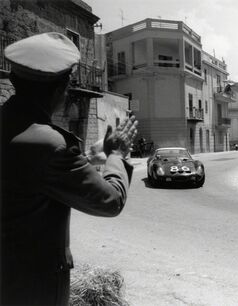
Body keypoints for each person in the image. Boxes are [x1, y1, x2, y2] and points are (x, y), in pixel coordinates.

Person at [0, 32, 138, 305]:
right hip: (31, 289)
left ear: (14, 80)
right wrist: (117, 155)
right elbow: (110, 201)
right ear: (59, 90)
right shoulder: (51, 146)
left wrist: (87, 156)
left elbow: (27, 177)